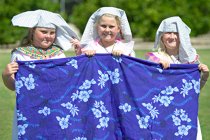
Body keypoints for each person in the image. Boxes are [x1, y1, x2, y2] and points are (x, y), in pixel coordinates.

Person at [1, 9, 79, 140]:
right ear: (32, 32)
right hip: (29, 108)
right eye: (43, 32)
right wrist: (6, 75)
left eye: (52, 33)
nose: (48, 36)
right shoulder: (20, 54)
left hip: (55, 108)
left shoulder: (59, 53)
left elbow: (67, 82)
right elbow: (14, 86)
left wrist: (80, 57)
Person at [145, 16, 209, 140]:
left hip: (185, 112)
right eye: (168, 32)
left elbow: (192, 91)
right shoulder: (154, 58)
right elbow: (146, 87)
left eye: (176, 33)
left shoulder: (190, 60)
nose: (172, 36)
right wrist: (158, 67)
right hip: (162, 114)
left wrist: (204, 76)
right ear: (162, 36)